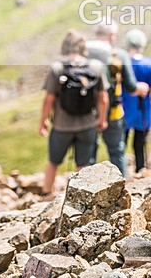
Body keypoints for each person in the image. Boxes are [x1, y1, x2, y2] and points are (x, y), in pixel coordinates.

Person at [39, 30, 108, 194]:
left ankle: (46, 194)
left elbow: (49, 99)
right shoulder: (96, 67)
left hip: (61, 126)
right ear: (83, 47)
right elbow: (103, 98)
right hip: (87, 125)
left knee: (54, 162)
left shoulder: (57, 69)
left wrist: (43, 121)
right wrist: (102, 119)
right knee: (83, 164)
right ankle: (81, 197)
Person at [86, 20, 149, 178]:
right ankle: (121, 187)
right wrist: (141, 88)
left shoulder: (84, 53)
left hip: (86, 111)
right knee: (116, 151)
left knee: (88, 151)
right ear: (112, 35)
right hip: (112, 110)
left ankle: (86, 187)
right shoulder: (119, 55)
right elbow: (131, 86)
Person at [121, 29, 151, 173]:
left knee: (122, 144)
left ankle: (120, 173)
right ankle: (140, 171)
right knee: (139, 144)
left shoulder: (123, 63)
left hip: (125, 109)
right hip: (143, 110)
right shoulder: (149, 63)